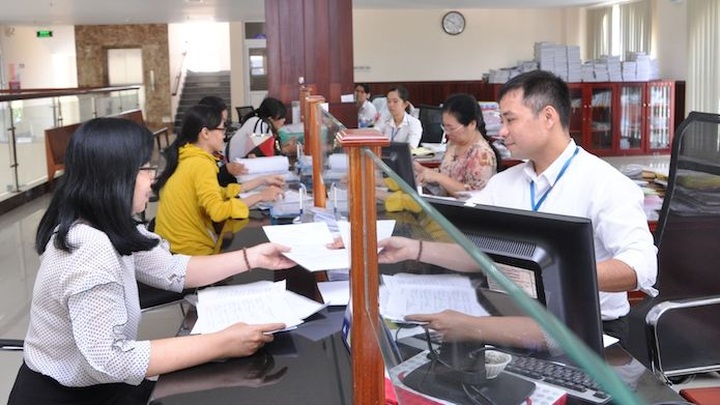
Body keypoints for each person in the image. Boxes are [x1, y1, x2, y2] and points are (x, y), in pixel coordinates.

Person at [7, 117, 296, 405]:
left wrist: (253, 256)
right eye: (145, 169)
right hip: (67, 396)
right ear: (116, 176)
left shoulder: (110, 225)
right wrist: (222, 343)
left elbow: (174, 271)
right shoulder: (89, 248)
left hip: (101, 386)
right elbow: (111, 359)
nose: (153, 178)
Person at [376, 70, 658, 345]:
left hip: (587, 331)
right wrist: (414, 249)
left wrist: (553, 275)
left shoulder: (605, 183)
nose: (502, 131)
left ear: (548, 117)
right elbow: (478, 252)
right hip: (513, 319)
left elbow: (641, 267)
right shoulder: (504, 184)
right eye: (501, 120)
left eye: (510, 120)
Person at [153, 105, 286, 255]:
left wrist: (261, 180)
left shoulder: (188, 156)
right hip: (188, 253)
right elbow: (218, 211)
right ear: (205, 133)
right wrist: (261, 196)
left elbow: (217, 192)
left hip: (174, 249)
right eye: (222, 129)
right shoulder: (200, 164)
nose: (224, 135)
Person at [413, 93, 500, 197]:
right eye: (444, 127)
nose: (447, 133)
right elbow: (446, 173)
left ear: (472, 124)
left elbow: (475, 195)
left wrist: (438, 177)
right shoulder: (453, 143)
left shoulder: (481, 154)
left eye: (452, 128)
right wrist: (423, 171)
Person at [198, 95, 247, 187]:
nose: (224, 131)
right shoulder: (197, 158)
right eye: (222, 124)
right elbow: (208, 185)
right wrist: (226, 170)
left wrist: (246, 161)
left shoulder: (212, 151)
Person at [227, 97, 296, 161]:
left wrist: (283, 146)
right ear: (271, 118)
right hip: (235, 165)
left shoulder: (264, 126)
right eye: (281, 117)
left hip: (242, 163)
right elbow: (262, 153)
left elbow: (267, 148)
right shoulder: (259, 123)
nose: (284, 120)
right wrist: (286, 150)